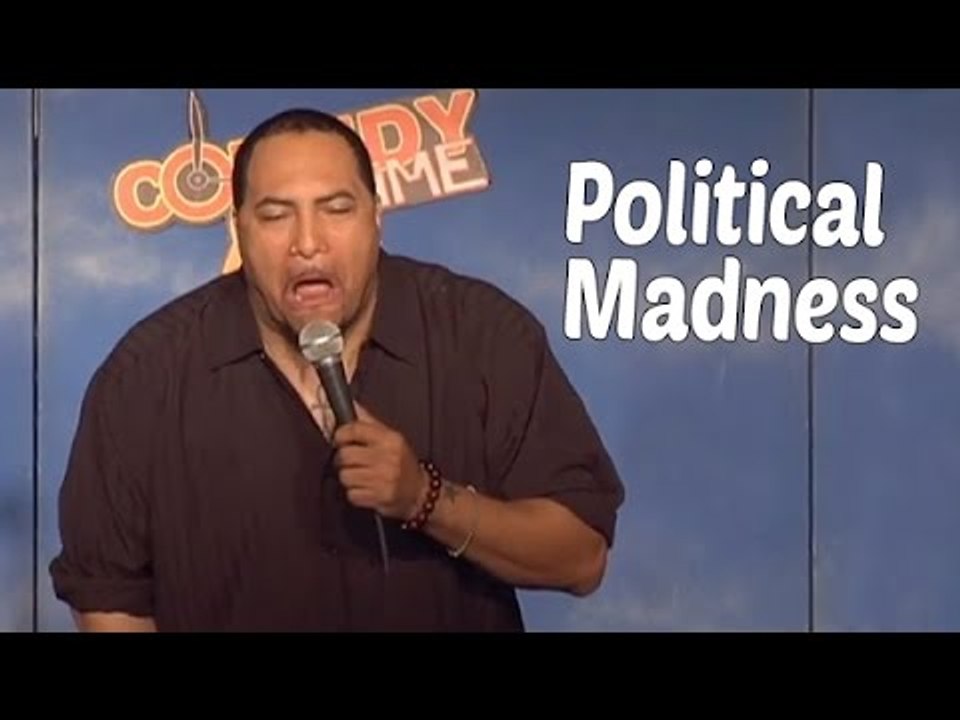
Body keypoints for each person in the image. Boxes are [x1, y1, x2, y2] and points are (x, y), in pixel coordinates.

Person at [48, 107, 625, 632]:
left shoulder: (482, 335)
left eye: (337, 209)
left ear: (376, 218)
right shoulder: (146, 376)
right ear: (239, 229)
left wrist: (424, 498)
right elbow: (109, 598)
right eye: (276, 215)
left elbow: (581, 558)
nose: (308, 243)